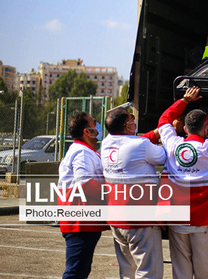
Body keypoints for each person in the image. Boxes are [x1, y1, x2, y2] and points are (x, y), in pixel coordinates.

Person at [156, 73, 208, 279]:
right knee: (205, 273)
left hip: (177, 220)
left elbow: (164, 119)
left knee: (180, 272)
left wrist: (185, 100)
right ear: (207, 127)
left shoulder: (172, 144)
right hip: (206, 222)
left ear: (184, 127)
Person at [101, 107, 167, 279]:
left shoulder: (106, 143)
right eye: (131, 118)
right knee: (148, 272)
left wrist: (156, 132)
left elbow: (133, 144)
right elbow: (164, 156)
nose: (134, 120)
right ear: (127, 126)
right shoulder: (141, 145)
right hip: (140, 221)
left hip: (116, 220)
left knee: (127, 272)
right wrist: (167, 134)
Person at [58, 112, 109, 279]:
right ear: (87, 131)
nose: (98, 126)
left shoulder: (87, 151)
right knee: (75, 272)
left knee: (81, 270)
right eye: (95, 123)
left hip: (83, 218)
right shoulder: (82, 152)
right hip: (79, 219)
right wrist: (112, 196)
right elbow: (85, 183)